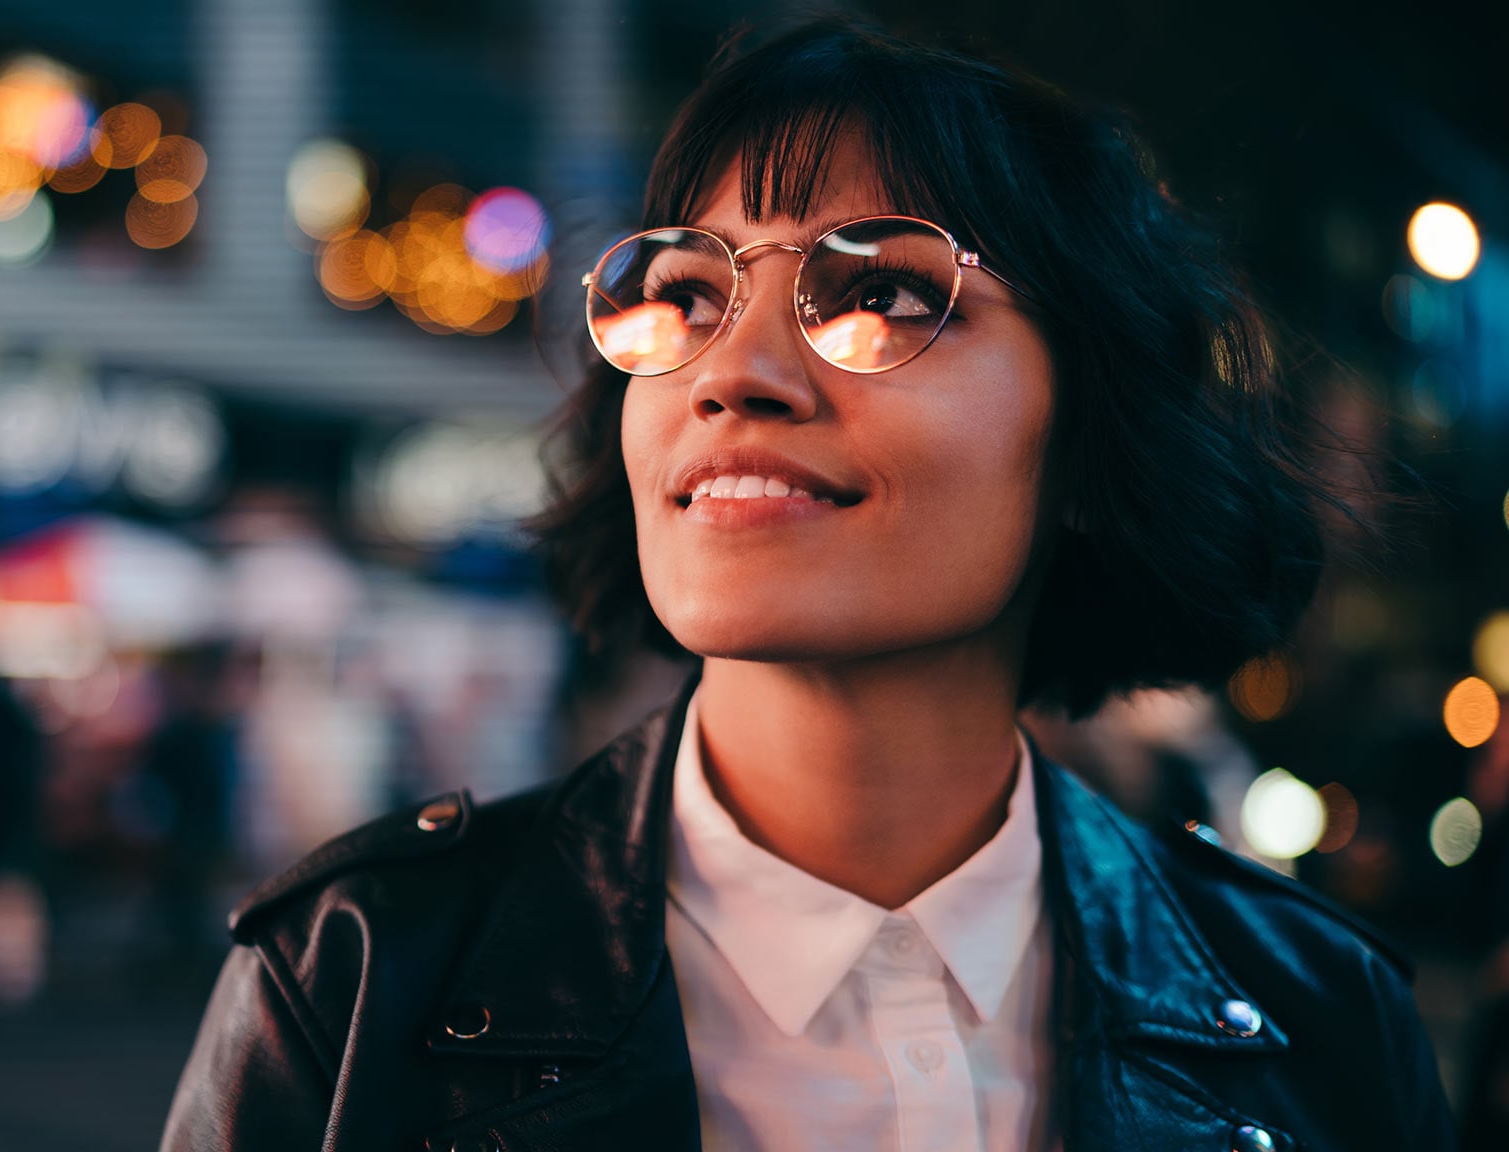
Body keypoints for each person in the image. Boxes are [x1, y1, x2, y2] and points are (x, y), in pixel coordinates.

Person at [161, 20, 1453, 1151]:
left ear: (1086, 430)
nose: (735, 370)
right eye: (686, 293)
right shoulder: (356, 976)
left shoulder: (1315, 1015)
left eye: (882, 293)